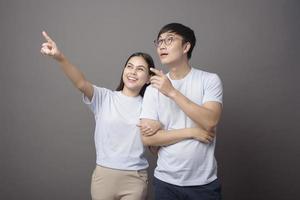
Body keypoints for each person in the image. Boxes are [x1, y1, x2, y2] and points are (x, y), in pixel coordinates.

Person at [40, 31, 155, 200]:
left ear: (148, 78)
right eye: (129, 66)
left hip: (135, 179)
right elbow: (80, 83)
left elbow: (155, 144)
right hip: (103, 177)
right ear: (123, 70)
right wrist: (60, 57)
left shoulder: (150, 106)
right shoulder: (104, 98)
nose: (132, 72)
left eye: (140, 69)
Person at [139, 23, 223, 200]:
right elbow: (148, 138)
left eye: (169, 40)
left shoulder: (209, 80)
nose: (162, 45)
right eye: (159, 41)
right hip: (165, 182)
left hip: (204, 184)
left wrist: (172, 92)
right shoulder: (153, 88)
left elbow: (210, 121)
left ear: (186, 46)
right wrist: (191, 132)